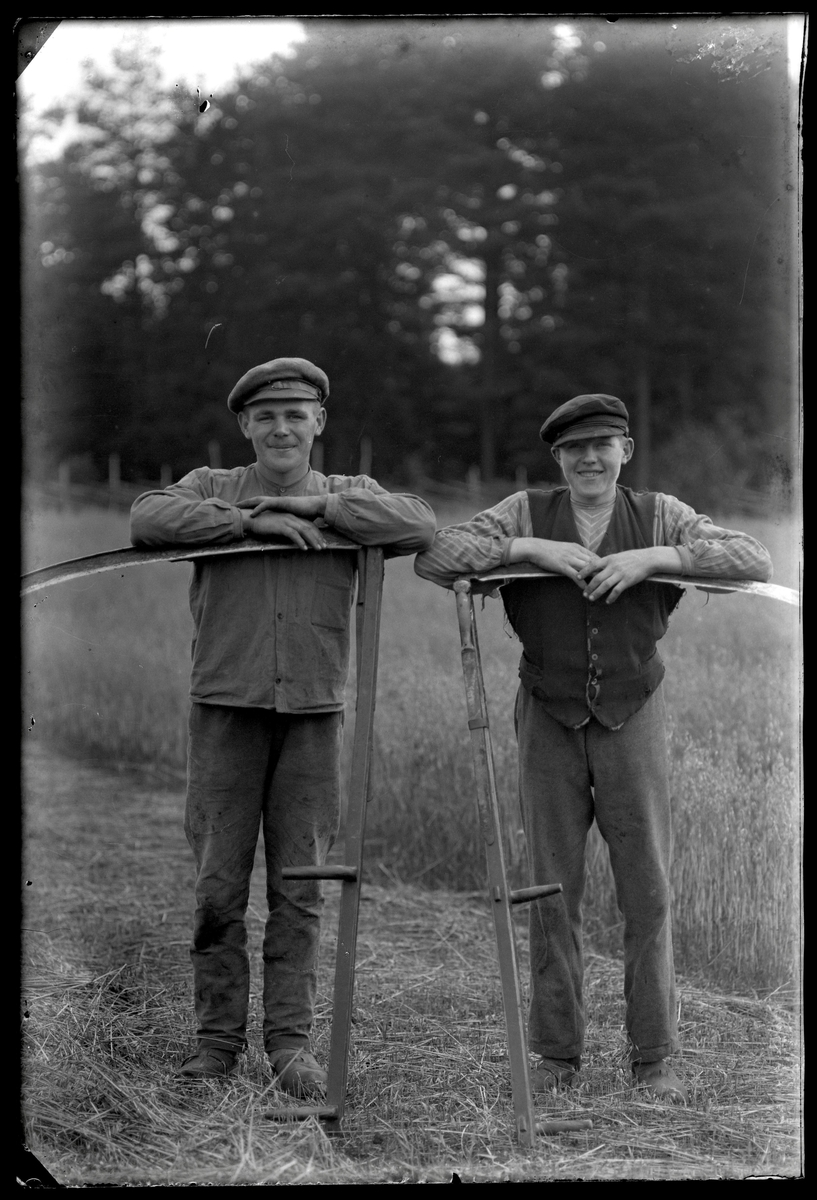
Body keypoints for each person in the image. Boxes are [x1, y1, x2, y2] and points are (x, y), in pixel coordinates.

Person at [413, 393, 773, 1103]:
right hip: (546, 712)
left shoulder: (661, 514)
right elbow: (436, 555)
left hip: (633, 711)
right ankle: (556, 1056)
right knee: (552, 890)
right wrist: (528, 550)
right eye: (573, 448)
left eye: (601, 445)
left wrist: (657, 557)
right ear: (556, 457)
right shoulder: (523, 511)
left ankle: (654, 1059)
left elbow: (750, 558)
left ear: (624, 452)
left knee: (647, 890)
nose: (588, 459)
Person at [130, 356, 435, 1091]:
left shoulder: (348, 493)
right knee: (217, 888)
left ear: (318, 422)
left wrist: (316, 510)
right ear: (245, 424)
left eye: (296, 415)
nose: (281, 429)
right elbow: (147, 519)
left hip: (312, 718)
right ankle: (216, 1045)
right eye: (265, 416)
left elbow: (418, 523)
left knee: (300, 888)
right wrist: (247, 520)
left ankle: (291, 1047)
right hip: (224, 714)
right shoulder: (211, 488)